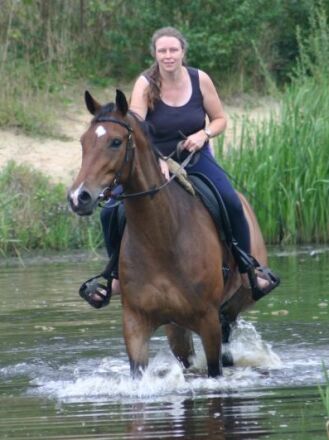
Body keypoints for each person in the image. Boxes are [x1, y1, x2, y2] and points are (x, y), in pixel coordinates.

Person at [81, 26, 279, 309]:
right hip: (154, 161)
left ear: (183, 52)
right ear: (155, 54)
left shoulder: (200, 80)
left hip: (196, 157)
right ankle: (114, 277)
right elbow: (136, 128)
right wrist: (158, 159)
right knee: (111, 210)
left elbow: (220, 119)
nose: (168, 55)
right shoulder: (145, 83)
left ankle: (249, 268)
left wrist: (204, 135)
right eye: (162, 50)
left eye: (173, 50)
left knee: (231, 202)